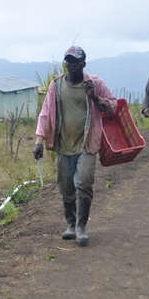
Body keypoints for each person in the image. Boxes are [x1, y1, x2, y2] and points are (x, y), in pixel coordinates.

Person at [33, 46, 117, 246]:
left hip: (87, 144)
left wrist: (95, 97)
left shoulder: (95, 83)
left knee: (83, 183)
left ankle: (81, 227)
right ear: (66, 63)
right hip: (63, 144)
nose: (73, 64)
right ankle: (71, 224)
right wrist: (39, 141)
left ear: (83, 64)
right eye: (69, 61)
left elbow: (112, 106)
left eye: (77, 61)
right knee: (66, 188)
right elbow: (45, 114)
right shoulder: (56, 85)